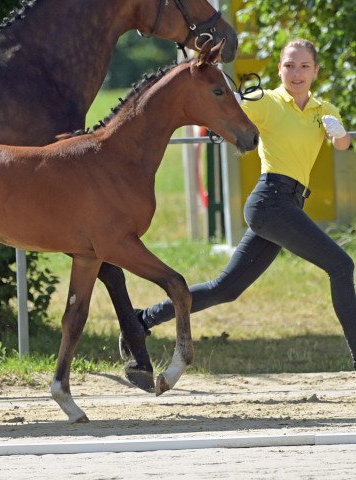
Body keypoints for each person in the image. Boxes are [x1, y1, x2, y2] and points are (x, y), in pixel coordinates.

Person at [123, 39, 355, 366]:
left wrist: (339, 131)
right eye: (289, 65)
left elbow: (343, 146)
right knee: (342, 265)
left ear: (316, 70)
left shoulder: (323, 110)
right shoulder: (267, 101)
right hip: (271, 203)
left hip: (288, 205)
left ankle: (141, 320)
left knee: (226, 289)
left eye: (304, 66)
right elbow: (222, 108)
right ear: (279, 69)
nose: (297, 73)